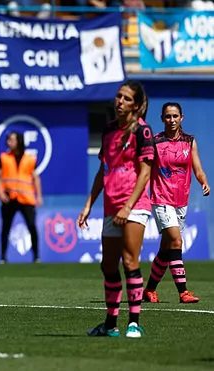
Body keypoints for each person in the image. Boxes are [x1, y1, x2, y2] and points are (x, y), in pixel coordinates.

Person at [77, 80, 154, 339]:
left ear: (137, 104)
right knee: (108, 265)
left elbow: (145, 172)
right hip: (112, 205)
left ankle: (134, 322)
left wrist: (129, 206)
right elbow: (103, 170)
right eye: (118, 96)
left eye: (126, 98)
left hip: (134, 205)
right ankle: (110, 324)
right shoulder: (109, 130)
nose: (119, 101)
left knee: (130, 261)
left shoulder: (142, 132)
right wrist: (88, 204)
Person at [144, 102, 209, 304]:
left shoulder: (190, 141)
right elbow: (145, 171)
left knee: (166, 249)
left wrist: (203, 181)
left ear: (182, 117)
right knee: (176, 241)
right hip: (161, 198)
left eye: (175, 116)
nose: (171, 120)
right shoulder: (155, 142)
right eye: (167, 116)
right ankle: (183, 292)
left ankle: (149, 290)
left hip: (181, 200)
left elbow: (196, 167)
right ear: (162, 119)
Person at [0, 131, 43, 263]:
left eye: (12, 140)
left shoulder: (30, 158)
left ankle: (36, 256)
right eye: (8, 140)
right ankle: (3, 257)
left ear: (19, 141)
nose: (9, 142)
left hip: (26, 199)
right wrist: (0, 193)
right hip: (9, 198)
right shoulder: (4, 157)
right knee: (5, 228)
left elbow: (35, 178)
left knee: (32, 226)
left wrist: (39, 196)